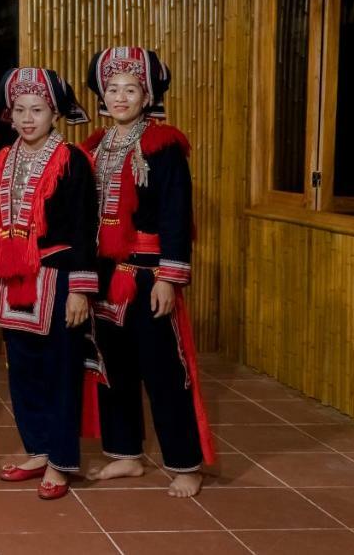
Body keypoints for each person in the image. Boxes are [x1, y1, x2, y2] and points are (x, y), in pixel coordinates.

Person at [82, 47, 216, 498]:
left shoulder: (163, 146)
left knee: (163, 370)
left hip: (146, 273)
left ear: (147, 95)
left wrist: (167, 277)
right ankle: (125, 453)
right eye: (112, 89)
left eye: (130, 89)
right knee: (112, 367)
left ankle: (184, 462)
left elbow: (178, 215)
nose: (120, 97)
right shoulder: (95, 147)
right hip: (103, 274)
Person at [0, 67, 99, 500]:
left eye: (37, 109)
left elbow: (84, 228)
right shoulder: (4, 158)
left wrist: (80, 290)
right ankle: (37, 449)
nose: (27, 118)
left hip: (58, 277)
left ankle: (61, 460)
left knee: (60, 372)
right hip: (15, 278)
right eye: (19, 109)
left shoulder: (71, 160)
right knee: (23, 371)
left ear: (55, 113)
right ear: (9, 114)